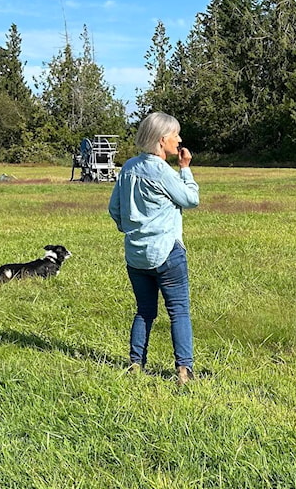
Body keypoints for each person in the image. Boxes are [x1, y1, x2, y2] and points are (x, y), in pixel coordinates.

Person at [108, 112, 200, 386]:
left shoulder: (128, 168)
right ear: (162, 140)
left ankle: (136, 365)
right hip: (167, 252)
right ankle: (184, 371)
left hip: (136, 254)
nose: (180, 140)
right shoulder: (163, 172)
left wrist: (131, 230)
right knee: (179, 311)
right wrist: (185, 168)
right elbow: (191, 199)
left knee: (144, 311)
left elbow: (115, 209)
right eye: (176, 135)